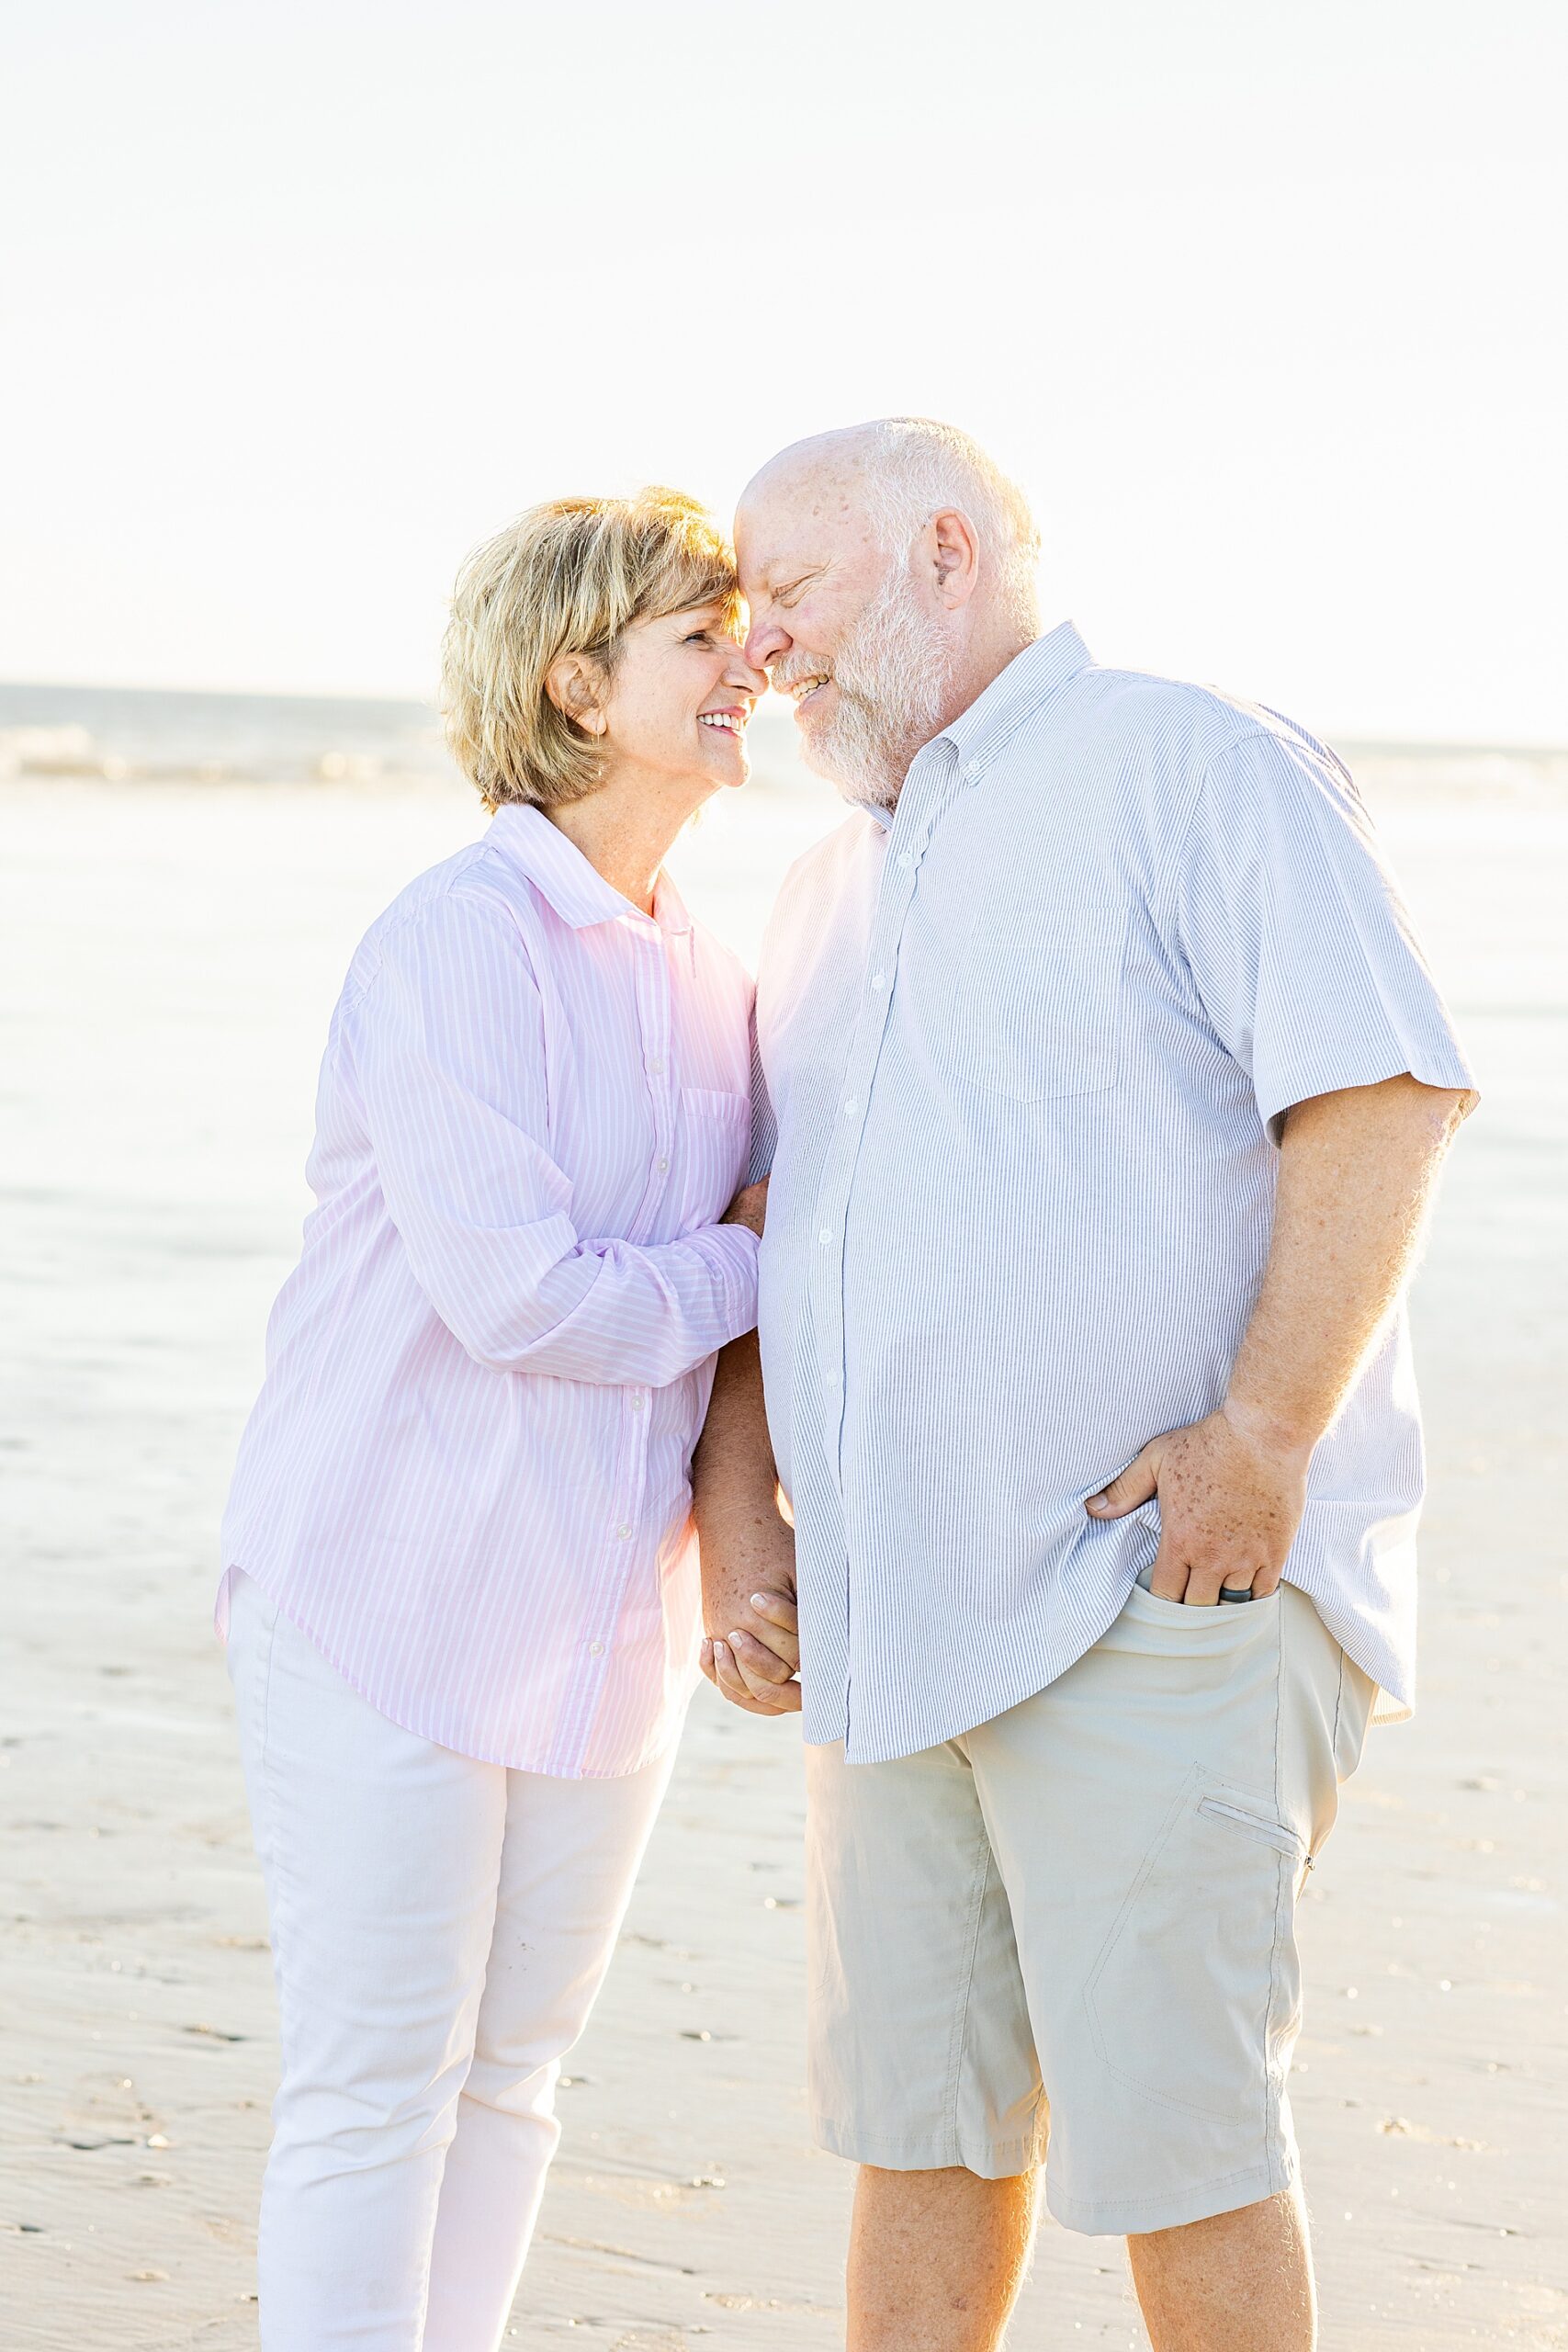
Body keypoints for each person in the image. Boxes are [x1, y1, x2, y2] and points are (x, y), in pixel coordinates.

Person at [693, 419, 1477, 2352]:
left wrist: (1260, 1442)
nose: (756, 643)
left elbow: (1377, 1091)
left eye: (787, 589)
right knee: (923, 2135)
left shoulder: (1185, 759)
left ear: (942, 550)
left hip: (1149, 1597)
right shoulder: (826, 883)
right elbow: (770, 1225)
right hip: (895, 1630)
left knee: (1177, 2151)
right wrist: (746, 1524)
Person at [218, 488, 768, 2350]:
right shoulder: (459, 940)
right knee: (380, 2078)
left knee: (516, 2072)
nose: (745, 666)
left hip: (606, 1623)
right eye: (700, 640)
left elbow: (696, 1303)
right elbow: (522, 1293)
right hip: (384, 1591)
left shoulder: (710, 959)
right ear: (575, 681)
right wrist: (751, 1262)